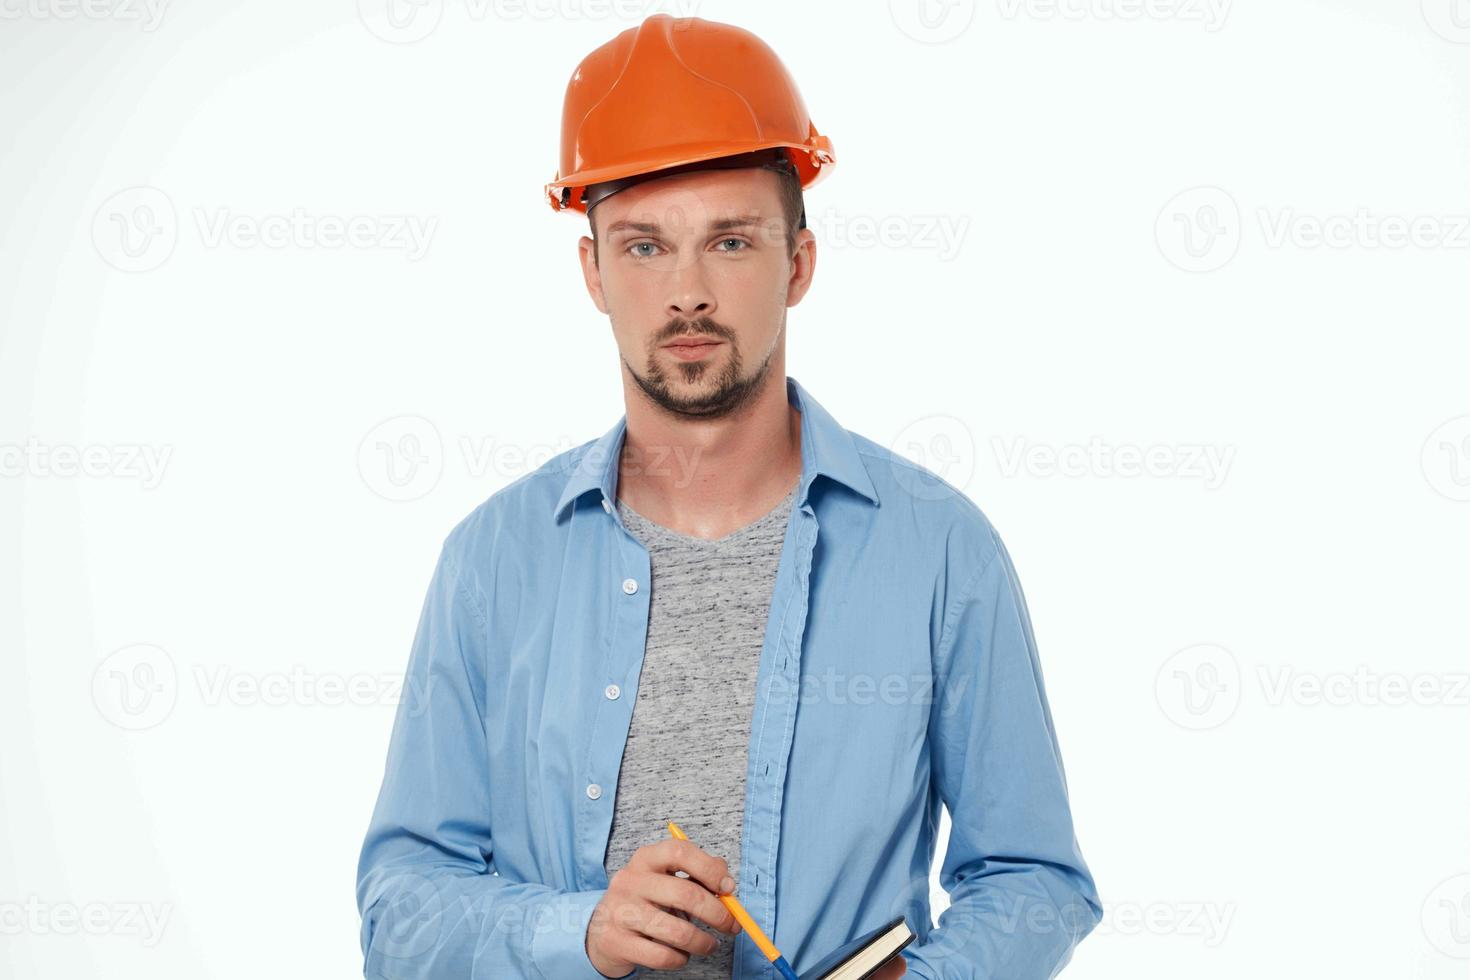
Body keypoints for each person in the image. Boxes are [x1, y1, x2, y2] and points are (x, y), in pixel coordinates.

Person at [356, 14, 1100, 979]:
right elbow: (400, 908)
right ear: (592, 272)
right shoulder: (494, 559)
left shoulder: (940, 551)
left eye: (732, 242)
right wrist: (579, 931)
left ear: (797, 264)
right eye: (644, 248)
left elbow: (1037, 879)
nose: (688, 293)